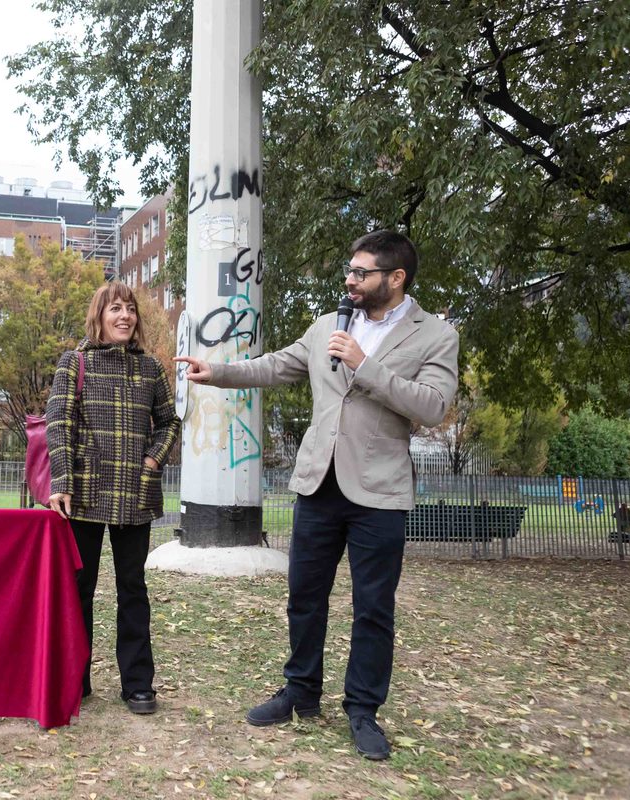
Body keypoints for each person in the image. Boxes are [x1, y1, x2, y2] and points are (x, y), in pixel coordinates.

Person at [175, 230, 458, 759]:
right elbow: (277, 364)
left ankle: (363, 710)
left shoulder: (435, 334)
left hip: (379, 491)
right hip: (318, 484)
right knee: (304, 598)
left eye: (361, 272)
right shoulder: (329, 324)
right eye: (349, 270)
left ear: (396, 278)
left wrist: (364, 365)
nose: (350, 280)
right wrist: (219, 373)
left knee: (373, 609)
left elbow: (433, 406)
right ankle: (301, 692)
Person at [46, 282, 181, 715]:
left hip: (136, 494)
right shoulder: (74, 362)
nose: (125, 316)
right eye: (115, 308)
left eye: (131, 309)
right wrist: (62, 479)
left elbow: (169, 422)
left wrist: (152, 460)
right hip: (84, 494)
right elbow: (58, 423)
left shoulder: (151, 368)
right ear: (99, 316)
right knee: (78, 589)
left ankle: (138, 684)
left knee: (133, 589)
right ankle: (74, 679)